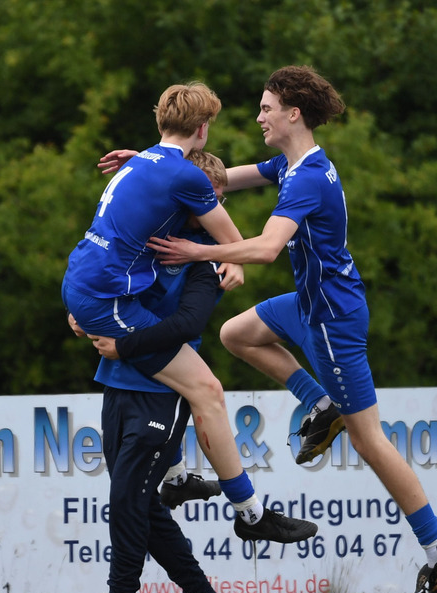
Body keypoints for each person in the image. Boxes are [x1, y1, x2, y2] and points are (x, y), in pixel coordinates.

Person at [143, 66, 437, 593]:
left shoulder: (308, 178)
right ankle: (318, 404)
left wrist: (200, 253)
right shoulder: (290, 165)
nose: (259, 116)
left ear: (294, 113)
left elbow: (267, 249)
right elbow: (216, 181)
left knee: (370, 441)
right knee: (235, 333)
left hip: (333, 322)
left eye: (267, 107)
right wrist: (146, 162)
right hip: (308, 307)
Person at [61, 81, 317, 547]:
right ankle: (251, 514)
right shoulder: (187, 177)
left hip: (85, 280)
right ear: (202, 129)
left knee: (181, 377)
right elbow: (233, 238)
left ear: (161, 122)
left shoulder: (143, 160)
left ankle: (178, 477)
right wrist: (230, 261)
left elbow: (159, 174)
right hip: (106, 299)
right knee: (207, 390)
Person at [74, 151, 240, 593]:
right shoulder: (149, 236)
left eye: (208, 199)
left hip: (162, 392)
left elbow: (187, 327)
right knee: (141, 507)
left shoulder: (207, 259)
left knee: (127, 501)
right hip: (117, 380)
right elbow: (110, 287)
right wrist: (84, 313)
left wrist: (124, 342)